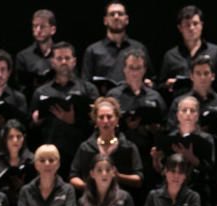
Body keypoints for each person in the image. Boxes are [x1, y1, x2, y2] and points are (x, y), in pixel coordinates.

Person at [30, 42, 99, 172]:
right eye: (59, 58)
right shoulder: (41, 92)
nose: (63, 62)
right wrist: (36, 122)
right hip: (49, 157)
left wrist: (74, 121)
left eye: (67, 58)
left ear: (74, 61)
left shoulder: (88, 90)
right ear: (52, 62)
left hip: (80, 153)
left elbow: (96, 123)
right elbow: (31, 130)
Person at [69, 97, 143, 194]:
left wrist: (119, 176)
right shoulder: (85, 147)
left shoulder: (128, 147)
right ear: (95, 121)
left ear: (117, 120)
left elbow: (139, 179)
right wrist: (89, 188)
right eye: (101, 117)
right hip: (91, 200)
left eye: (109, 116)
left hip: (120, 200)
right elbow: (73, 176)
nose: (105, 121)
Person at [158, 5, 217, 93]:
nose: (191, 28)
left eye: (195, 23)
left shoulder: (216, 52)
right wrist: (167, 85)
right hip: (180, 103)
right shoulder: (170, 55)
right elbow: (161, 87)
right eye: (187, 25)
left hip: (208, 104)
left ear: (202, 25)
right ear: (180, 28)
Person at [81, 2, 152, 89]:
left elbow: (151, 78)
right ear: (105, 20)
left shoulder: (139, 48)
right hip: (104, 100)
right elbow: (86, 83)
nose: (116, 17)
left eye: (120, 14)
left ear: (127, 19)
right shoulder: (93, 50)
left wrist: (150, 83)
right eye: (112, 14)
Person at [15, 9, 57, 96]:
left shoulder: (61, 55)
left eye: (42, 26)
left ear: (53, 30)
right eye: (35, 26)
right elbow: (20, 88)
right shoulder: (23, 56)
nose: (38, 30)